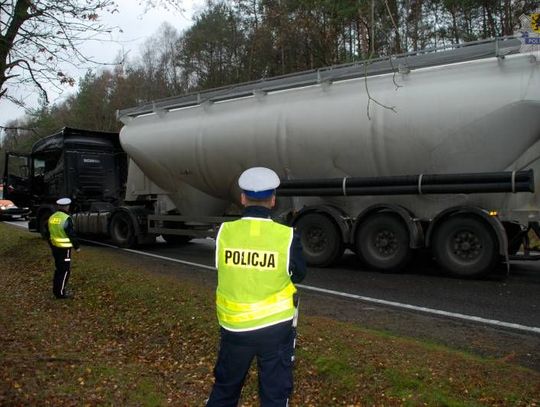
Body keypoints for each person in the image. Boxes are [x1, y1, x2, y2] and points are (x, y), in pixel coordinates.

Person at [207, 167, 306, 407]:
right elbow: (300, 274)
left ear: (242, 198)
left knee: (225, 390)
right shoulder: (287, 236)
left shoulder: (225, 233)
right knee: (274, 394)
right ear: (273, 200)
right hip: (274, 329)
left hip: (234, 328)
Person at [45, 198, 80, 299]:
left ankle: (57, 291)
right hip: (65, 249)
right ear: (67, 207)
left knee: (58, 269)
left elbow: (48, 233)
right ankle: (60, 293)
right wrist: (77, 247)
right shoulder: (66, 218)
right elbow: (71, 234)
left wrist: (51, 244)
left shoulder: (52, 217)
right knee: (65, 271)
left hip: (55, 248)